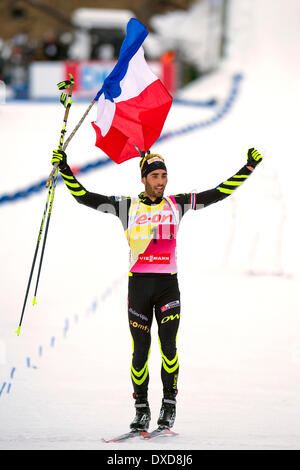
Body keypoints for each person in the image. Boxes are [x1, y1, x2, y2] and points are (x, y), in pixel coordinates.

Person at [51, 147, 263, 432]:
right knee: (140, 352)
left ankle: (169, 405)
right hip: (138, 287)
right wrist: (65, 169)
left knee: (169, 348)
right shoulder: (125, 207)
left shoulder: (178, 204)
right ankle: (141, 409)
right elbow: (84, 197)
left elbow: (219, 192)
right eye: (155, 176)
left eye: (164, 175)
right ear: (144, 179)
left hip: (167, 288)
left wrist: (247, 167)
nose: (161, 181)